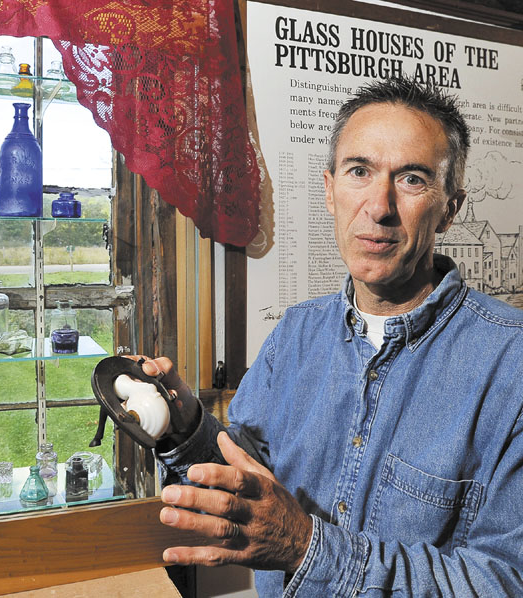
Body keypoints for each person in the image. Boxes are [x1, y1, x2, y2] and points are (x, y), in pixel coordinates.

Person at [138, 76, 523, 596]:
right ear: (329, 189)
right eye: (359, 171)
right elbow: (245, 472)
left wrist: (306, 548)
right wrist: (184, 430)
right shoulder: (295, 333)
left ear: (450, 210)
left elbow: (506, 580)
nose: (379, 206)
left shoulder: (511, 364)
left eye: (412, 179)